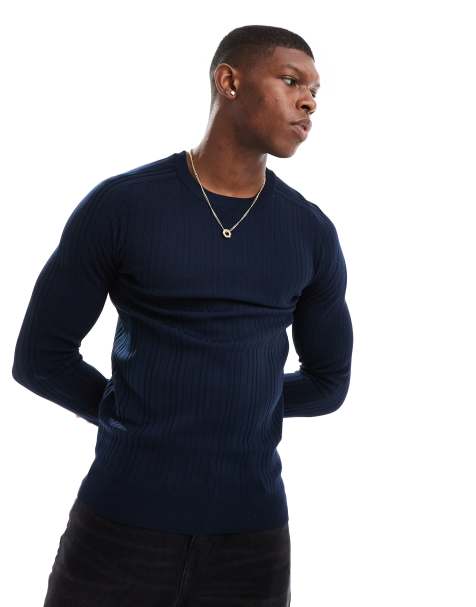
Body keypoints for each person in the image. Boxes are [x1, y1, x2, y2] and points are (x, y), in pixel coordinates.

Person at [12, 24, 353, 607]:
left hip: (252, 544)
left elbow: (328, 383)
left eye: (315, 91)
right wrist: (130, 413)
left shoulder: (309, 231)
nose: (309, 102)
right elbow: (40, 360)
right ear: (229, 81)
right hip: (119, 529)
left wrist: (232, 407)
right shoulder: (122, 207)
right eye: (291, 81)